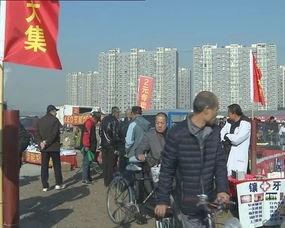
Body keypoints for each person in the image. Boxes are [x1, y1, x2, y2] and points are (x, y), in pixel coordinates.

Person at [155, 91, 229, 228]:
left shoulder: (214, 132)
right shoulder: (177, 134)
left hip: (209, 199)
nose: (217, 112)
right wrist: (162, 200)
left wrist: (222, 189)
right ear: (206, 110)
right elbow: (167, 170)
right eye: (216, 109)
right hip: (187, 201)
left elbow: (219, 163)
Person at [35, 105, 65, 192]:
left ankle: (45, 186)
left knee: (44, 166)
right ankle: (58, 184)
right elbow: (54, 134)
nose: (56, 113)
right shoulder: (55, 120)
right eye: (55, 111)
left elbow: (37, 134)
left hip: (43, 148)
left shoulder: (40, 120)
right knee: (56, 166)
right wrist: (46, 142)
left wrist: (40, 142)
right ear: (51, 111)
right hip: (54, 147)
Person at [221, 104, 251, 176]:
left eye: (229, 113)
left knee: (238, 180)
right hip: (226, 154)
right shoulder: (229, 122)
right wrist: (227, 136)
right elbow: (221, 133)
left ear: (234, 113)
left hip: (239, 158)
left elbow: (237, 139)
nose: (228, 116)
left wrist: (226, 136)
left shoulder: (245, 123)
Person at [100, 106, 121, 187]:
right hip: (111, 146)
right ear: (115, 113)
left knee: (105, 163)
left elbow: (100, 132)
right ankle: (109, 181)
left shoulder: (104, 119)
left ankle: (106, 181)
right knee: (111, 164)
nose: (119, 115)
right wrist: (116, 147)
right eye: (118, 113)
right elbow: (115, 135)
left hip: (104, 145)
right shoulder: (115, 121)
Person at [81, 112, 101, 184]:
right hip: (88, 147)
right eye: (97, 121)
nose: (97, 123)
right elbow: (86, 135)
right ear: (95, 119)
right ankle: (85, 179)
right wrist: (86, 145)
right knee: (86, 163)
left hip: (90, 146)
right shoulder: (89, 123)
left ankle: (88, 177)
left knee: (89, 162)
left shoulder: (91, 123)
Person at [118, 108, 132, 174]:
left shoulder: (120, 123)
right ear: (130, 114)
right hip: (129, 146)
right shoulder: (132, 123)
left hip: (121, 145)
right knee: (129, 163)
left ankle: (121, 178)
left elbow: (118, 134)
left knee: (122, 164)